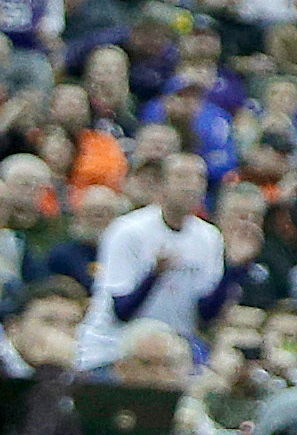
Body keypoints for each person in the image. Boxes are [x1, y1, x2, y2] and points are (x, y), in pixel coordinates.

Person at [75, 146, 228, 369]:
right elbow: (121, 311)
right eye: (182, 177)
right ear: (161, 185)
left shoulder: (210, 237)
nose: (192, 185)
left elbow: (205, 314)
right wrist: (154, 275)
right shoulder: (128, 230)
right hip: (113, 350)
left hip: (172, 353)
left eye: (199, 178)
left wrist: (235, 268)